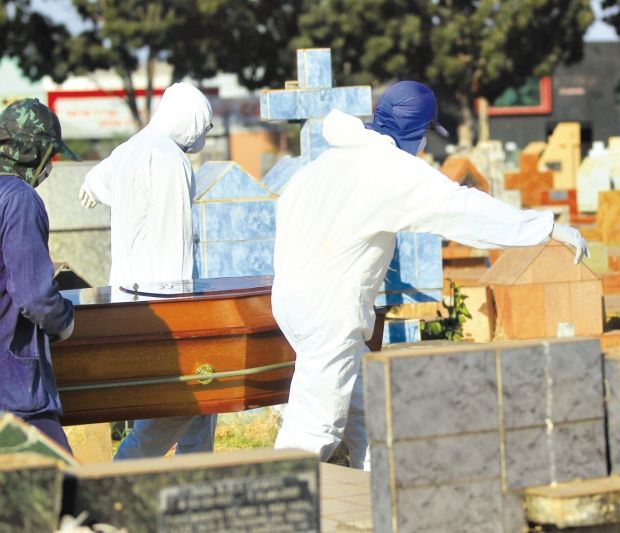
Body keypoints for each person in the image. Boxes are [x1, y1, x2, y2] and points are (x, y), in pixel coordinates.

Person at [271, 81, 589, 470]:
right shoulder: (391, 170)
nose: (424, 147)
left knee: (368, 411)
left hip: (291, 302)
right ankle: (273, 503)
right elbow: (463, 208)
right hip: (328, 313)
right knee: (314, 428)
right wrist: (547, 227)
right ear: (416, 132)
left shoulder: (325, 163)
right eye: (424, 137)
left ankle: (377, 491)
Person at [78, 82, 217, 460]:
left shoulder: (129, 149)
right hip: (164, 303)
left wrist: (92, 184)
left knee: (204, 403)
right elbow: (176, 244)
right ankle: (123, 472)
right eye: (202, 126)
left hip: (128, 298)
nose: (203, 135)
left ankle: (196, 482)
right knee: (185, 400)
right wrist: (188, 314)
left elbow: (98, 179)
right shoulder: (170, 160)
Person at [0, 98, 79, 451]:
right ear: (35, 153)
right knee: (65, 490)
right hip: (14, 391)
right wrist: (65, 321)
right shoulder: (20, 200)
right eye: (52, 155)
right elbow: (34, 296)